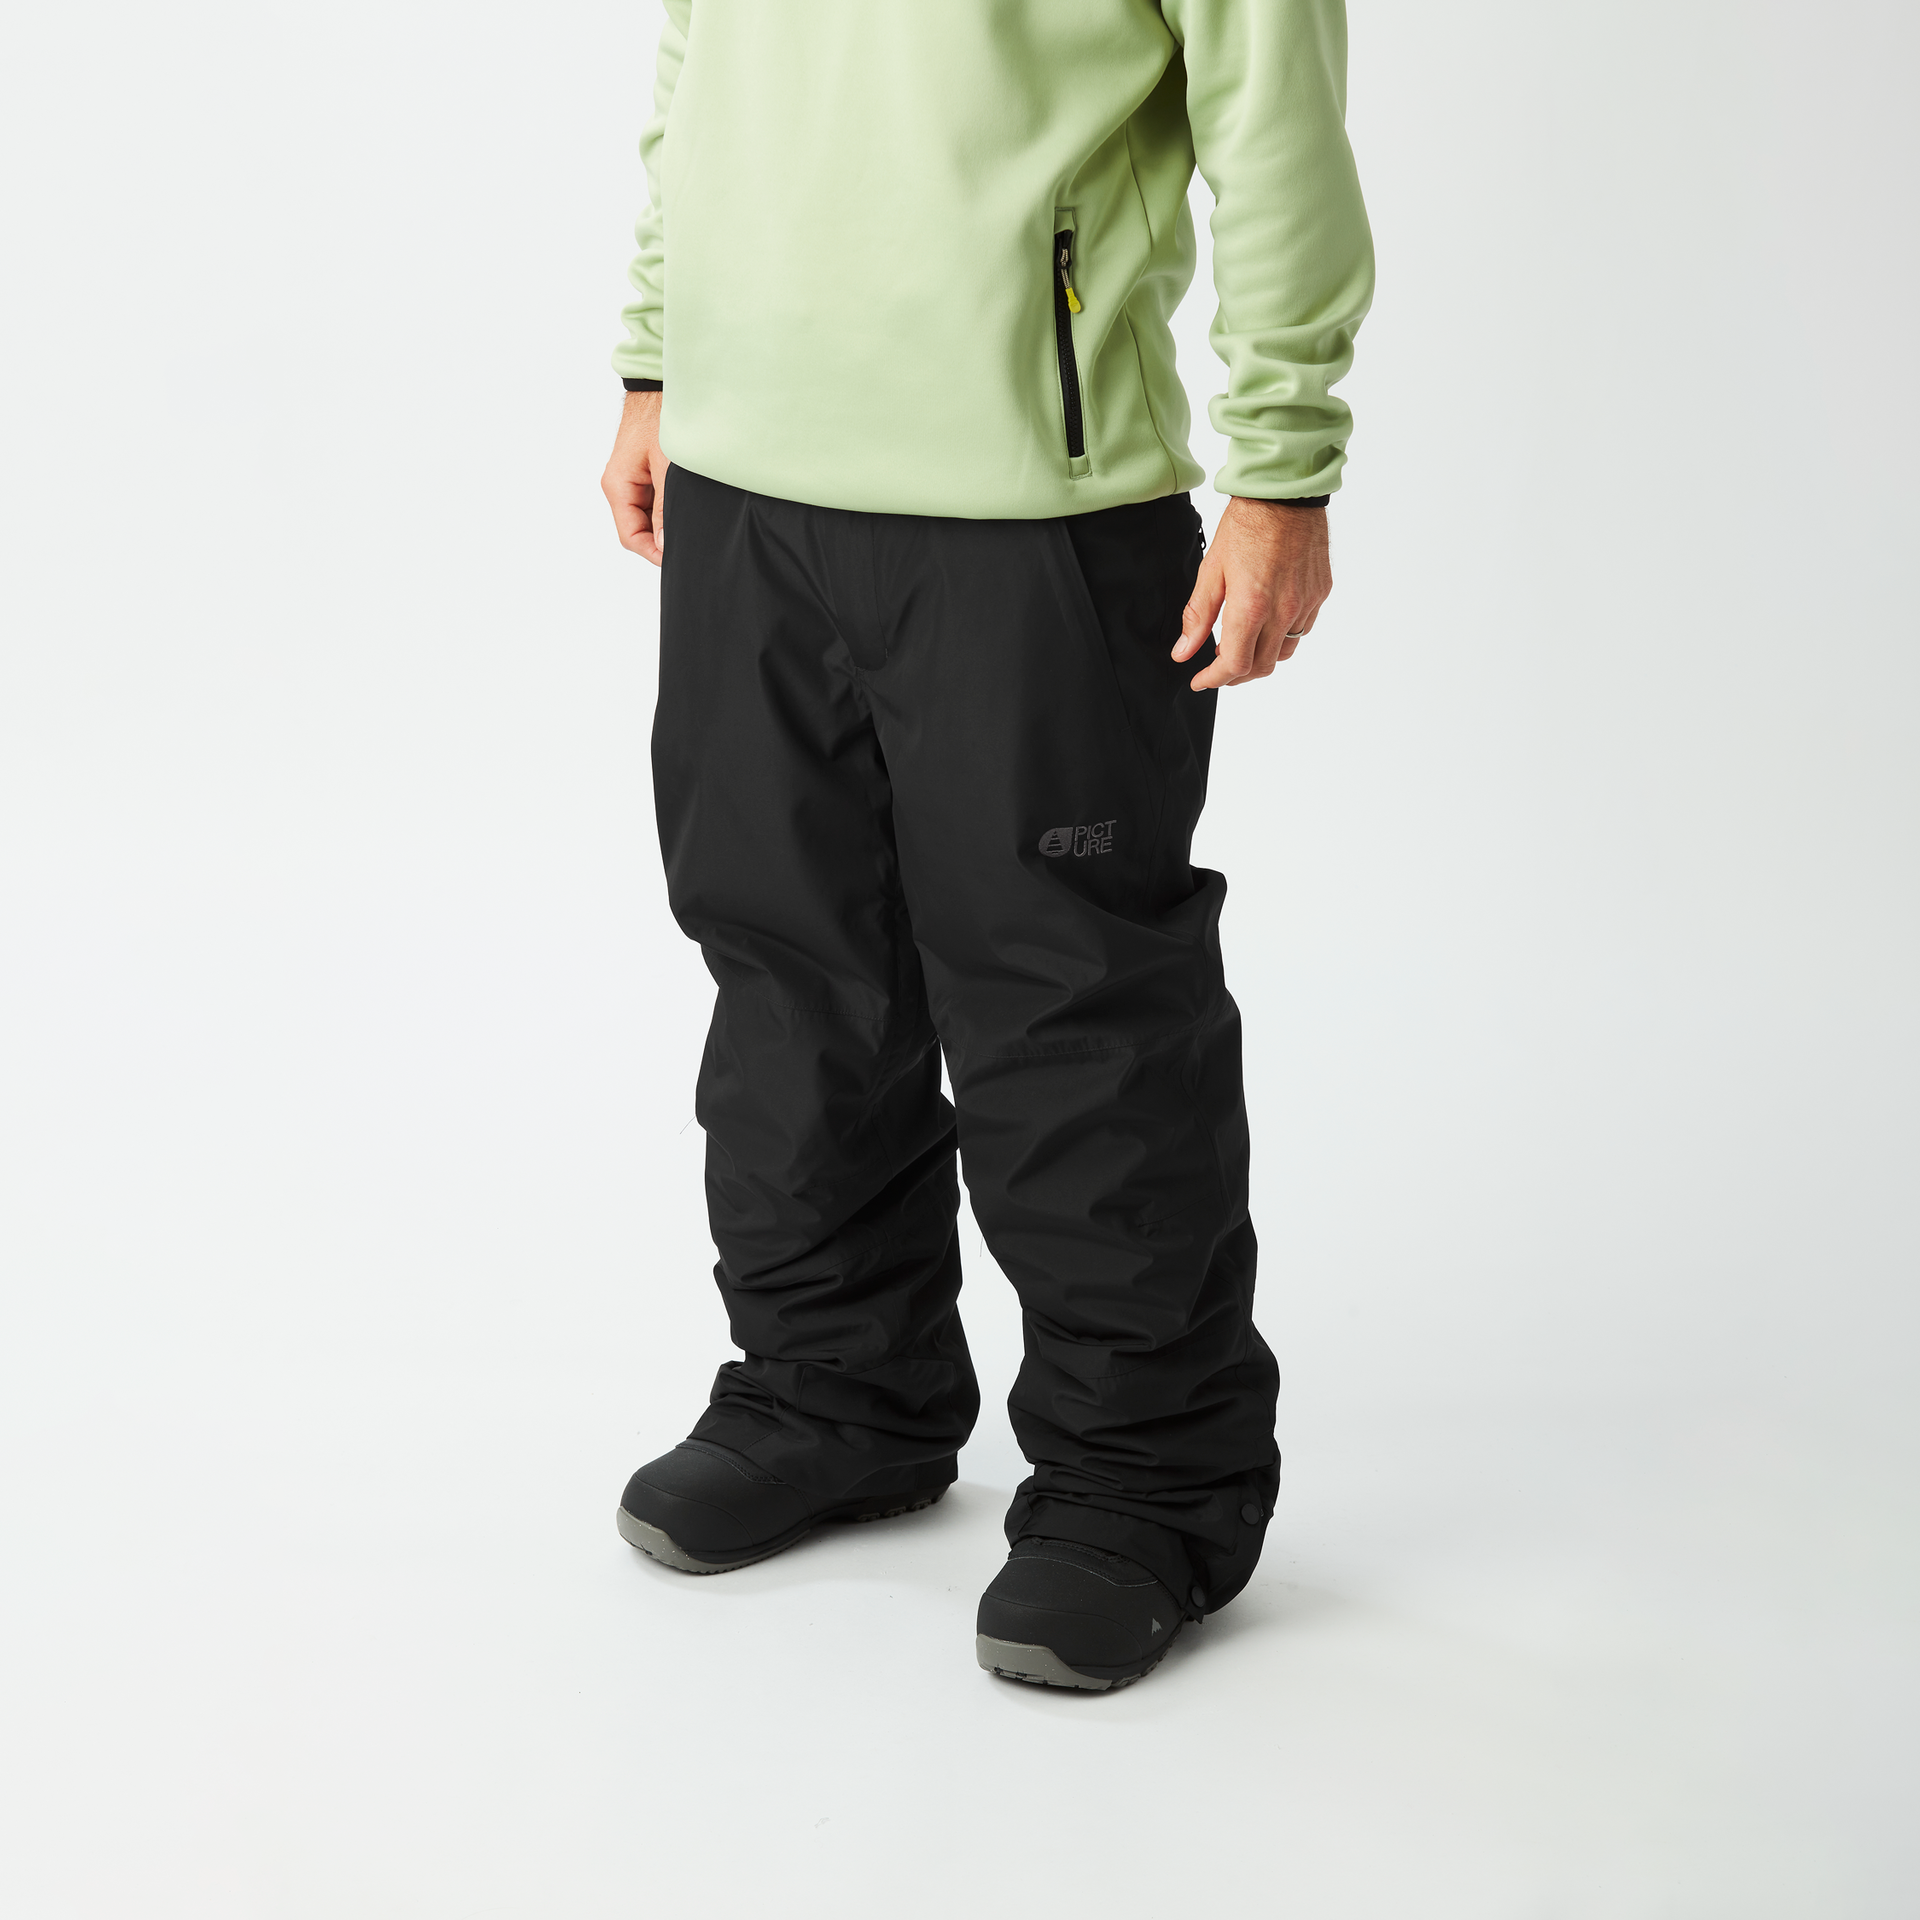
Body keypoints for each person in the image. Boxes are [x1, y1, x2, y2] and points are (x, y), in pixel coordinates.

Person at [600, 0, 1372, 1692]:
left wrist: (1283, 467)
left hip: (1034, 501)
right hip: (746, 476)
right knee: (788, 964)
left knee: (1067, 1001)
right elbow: (697, 58)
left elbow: (1274, 125)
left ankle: (1149, 1485)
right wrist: (658, 360)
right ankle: (836, 1390)